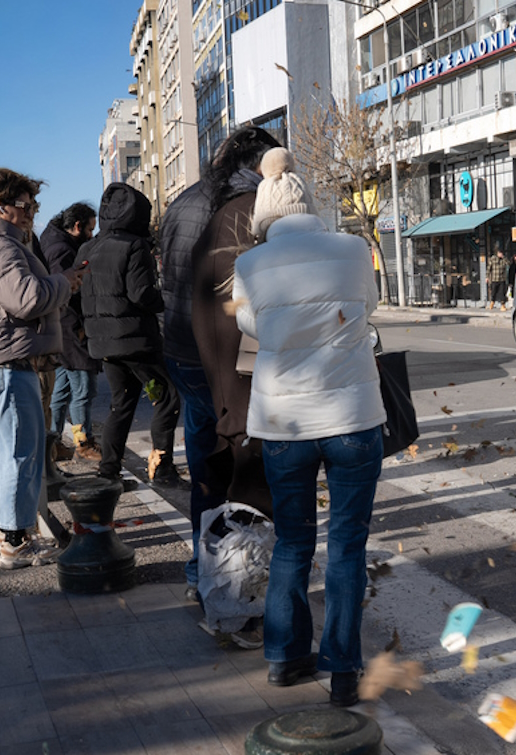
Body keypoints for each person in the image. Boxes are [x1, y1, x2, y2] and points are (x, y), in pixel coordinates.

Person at [232, 148, 385, 707]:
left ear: (264, 215)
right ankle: (343, 668)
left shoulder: (248, 266)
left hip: (282, 421)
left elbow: (250, 323)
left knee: (293, 542)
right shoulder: (352, 248)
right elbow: (367, 305)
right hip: (352, 420)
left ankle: (284, 657)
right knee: (348, 544)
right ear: (309, 204)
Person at [162, 127, 280, 603]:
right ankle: (238, 583)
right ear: (257, 162)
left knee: (205, 465)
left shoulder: (183, 201)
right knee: (245, 470)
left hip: (185, 353)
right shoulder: (252, 206)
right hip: (234, 359)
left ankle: (201, 569)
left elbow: (170, 281)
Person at [0, 166, 83, 569]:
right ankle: (15, 542)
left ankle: (6, 533)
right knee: (20, 454)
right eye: (24, 205)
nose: (31, 212)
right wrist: (64, 281)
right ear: (0, 207)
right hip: (7, 363)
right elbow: (27, 300)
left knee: (15, 451)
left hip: (8, 360)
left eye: (33, 205)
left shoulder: (4, 243)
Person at [191, 128, 279, 518]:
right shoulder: (254, 213)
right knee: (257, 500)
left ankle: (216, 572)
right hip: (251, 381)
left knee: (227, 484)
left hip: (220, 371)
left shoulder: (218, 212)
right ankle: (253, 576)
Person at [75, 182, 183, 488]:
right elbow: (141, 294)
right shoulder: (135, 246)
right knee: (166, 396)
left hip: (102, 341)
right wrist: (167, 299)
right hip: (136, 339)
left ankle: (109, 471)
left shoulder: (87, 247)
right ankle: (162, 468)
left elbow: (76, 292)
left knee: (121, 404)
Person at [40, 202, 102, 462]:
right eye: (89, 229)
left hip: (63, 326)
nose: (91, 234)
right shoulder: (62, 250)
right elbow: (65, 290)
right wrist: (78, 326)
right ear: (76, 227)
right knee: (84, 387)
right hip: (70, 326)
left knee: (62, 388)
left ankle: (53, 443)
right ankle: (82, 441)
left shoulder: (54, 240)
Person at [487, 244, 508, 311]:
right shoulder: (493, 259)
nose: (500, 254)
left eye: (501, 253)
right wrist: (487, 277)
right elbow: (489, 268)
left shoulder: (503, 259)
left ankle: (503, 305)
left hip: (502, 279)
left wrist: (503, 257)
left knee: (502, 292)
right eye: (499, 253)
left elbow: (508, 263)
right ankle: (492, 304)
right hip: (494, 279)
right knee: (493, 292)